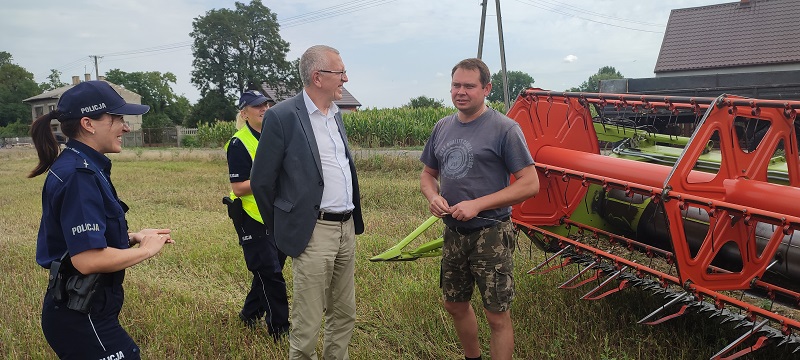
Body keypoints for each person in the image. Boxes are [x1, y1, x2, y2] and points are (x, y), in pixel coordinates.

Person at [29, 80, 174, 359]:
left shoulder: (82, 166)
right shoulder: (79, 175)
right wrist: (146, 250)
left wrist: (130, 237)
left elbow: (78, 242)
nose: (126, 127)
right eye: (117, 118)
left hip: (83, 309)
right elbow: (87, 260)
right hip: (81, 316)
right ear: (89, 123)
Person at [419, 58, 540, 360]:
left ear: (486, 89)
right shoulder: (442, 127)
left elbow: (529, 184)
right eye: (456, 85)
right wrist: (432, 196)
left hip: (492, 233)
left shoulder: (505, 129)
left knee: (496, 314)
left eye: (469, 86)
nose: (461, 91)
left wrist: (478, 204)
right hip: (454, 233)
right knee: (455, 305)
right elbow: (427, 175)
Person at [250, 44, 364, 360]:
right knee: (308, 323)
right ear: (318, 77)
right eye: (340, 72)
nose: (345, 78)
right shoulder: (282, 116)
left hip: (346, 228)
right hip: (313, 231)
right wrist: (286, 229)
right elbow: (262, 181)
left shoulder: (336, 114)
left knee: (344, 313)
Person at [224, 90, 290, 338]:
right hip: (250, 216)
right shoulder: (239, 143)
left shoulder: (274, 137)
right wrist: (269, 179)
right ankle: (280, 330)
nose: (264, 109)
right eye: (257, 106)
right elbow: (239, 188)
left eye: (266, 104)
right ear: (244, 113)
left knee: (268, 270)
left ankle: (249, 315)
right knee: (271, 274)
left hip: (274, 214)